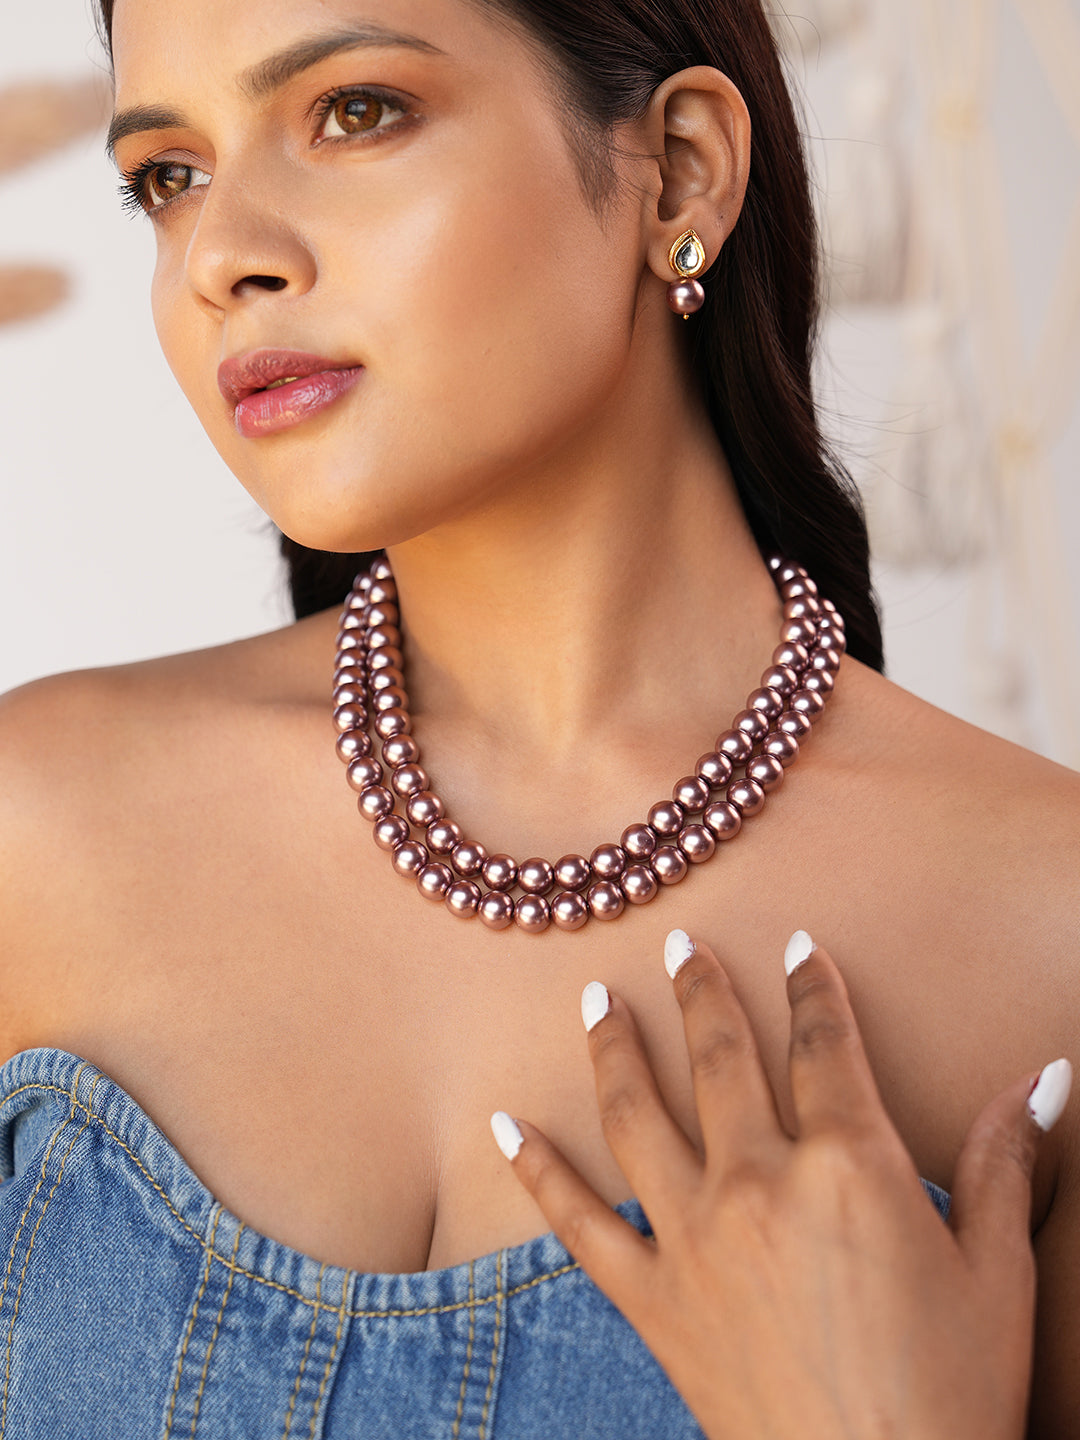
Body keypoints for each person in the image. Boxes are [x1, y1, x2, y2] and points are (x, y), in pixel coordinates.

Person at [0, 0, 1076, 1435]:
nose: (219, 255)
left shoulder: (1045, 936)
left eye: (354, 112)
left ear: (679, 171)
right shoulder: (39, 829)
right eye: (168, 175)